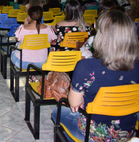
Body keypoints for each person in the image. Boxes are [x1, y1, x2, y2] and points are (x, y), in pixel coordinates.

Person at [52, 10, 139, 141]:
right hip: (127, 132)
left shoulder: (86, 67)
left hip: (92, 133)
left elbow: (73, 103)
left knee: (56, 112)